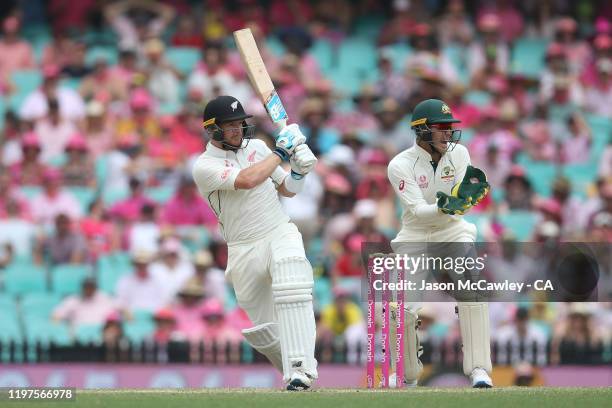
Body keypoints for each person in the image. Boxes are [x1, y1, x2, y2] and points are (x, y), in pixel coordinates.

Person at [192, 95, 318, 390]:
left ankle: (301, 369)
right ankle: (296, 378)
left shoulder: (259, 147)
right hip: (242, 248)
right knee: (268, 330)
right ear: (213, 130)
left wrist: (298, 172)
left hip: (278, 230)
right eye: (230, 126)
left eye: (240, 124)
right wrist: (282, 152)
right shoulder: (204, 166)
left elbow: (287, 190)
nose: (238, 130)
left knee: (292, 281)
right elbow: (247, 180)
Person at [386, 98, 493, 388]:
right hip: (415, 234)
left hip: (452, 232)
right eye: (441, 128)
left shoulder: (459, 154)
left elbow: (463, 198)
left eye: (450, 128)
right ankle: (406, 374)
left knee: (472, 289)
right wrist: (447, 205)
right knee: (401, 306)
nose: (449, 133)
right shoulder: (399, 165)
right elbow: (418, 210)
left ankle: (479, 369)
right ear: (421, 131)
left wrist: (458, 204)